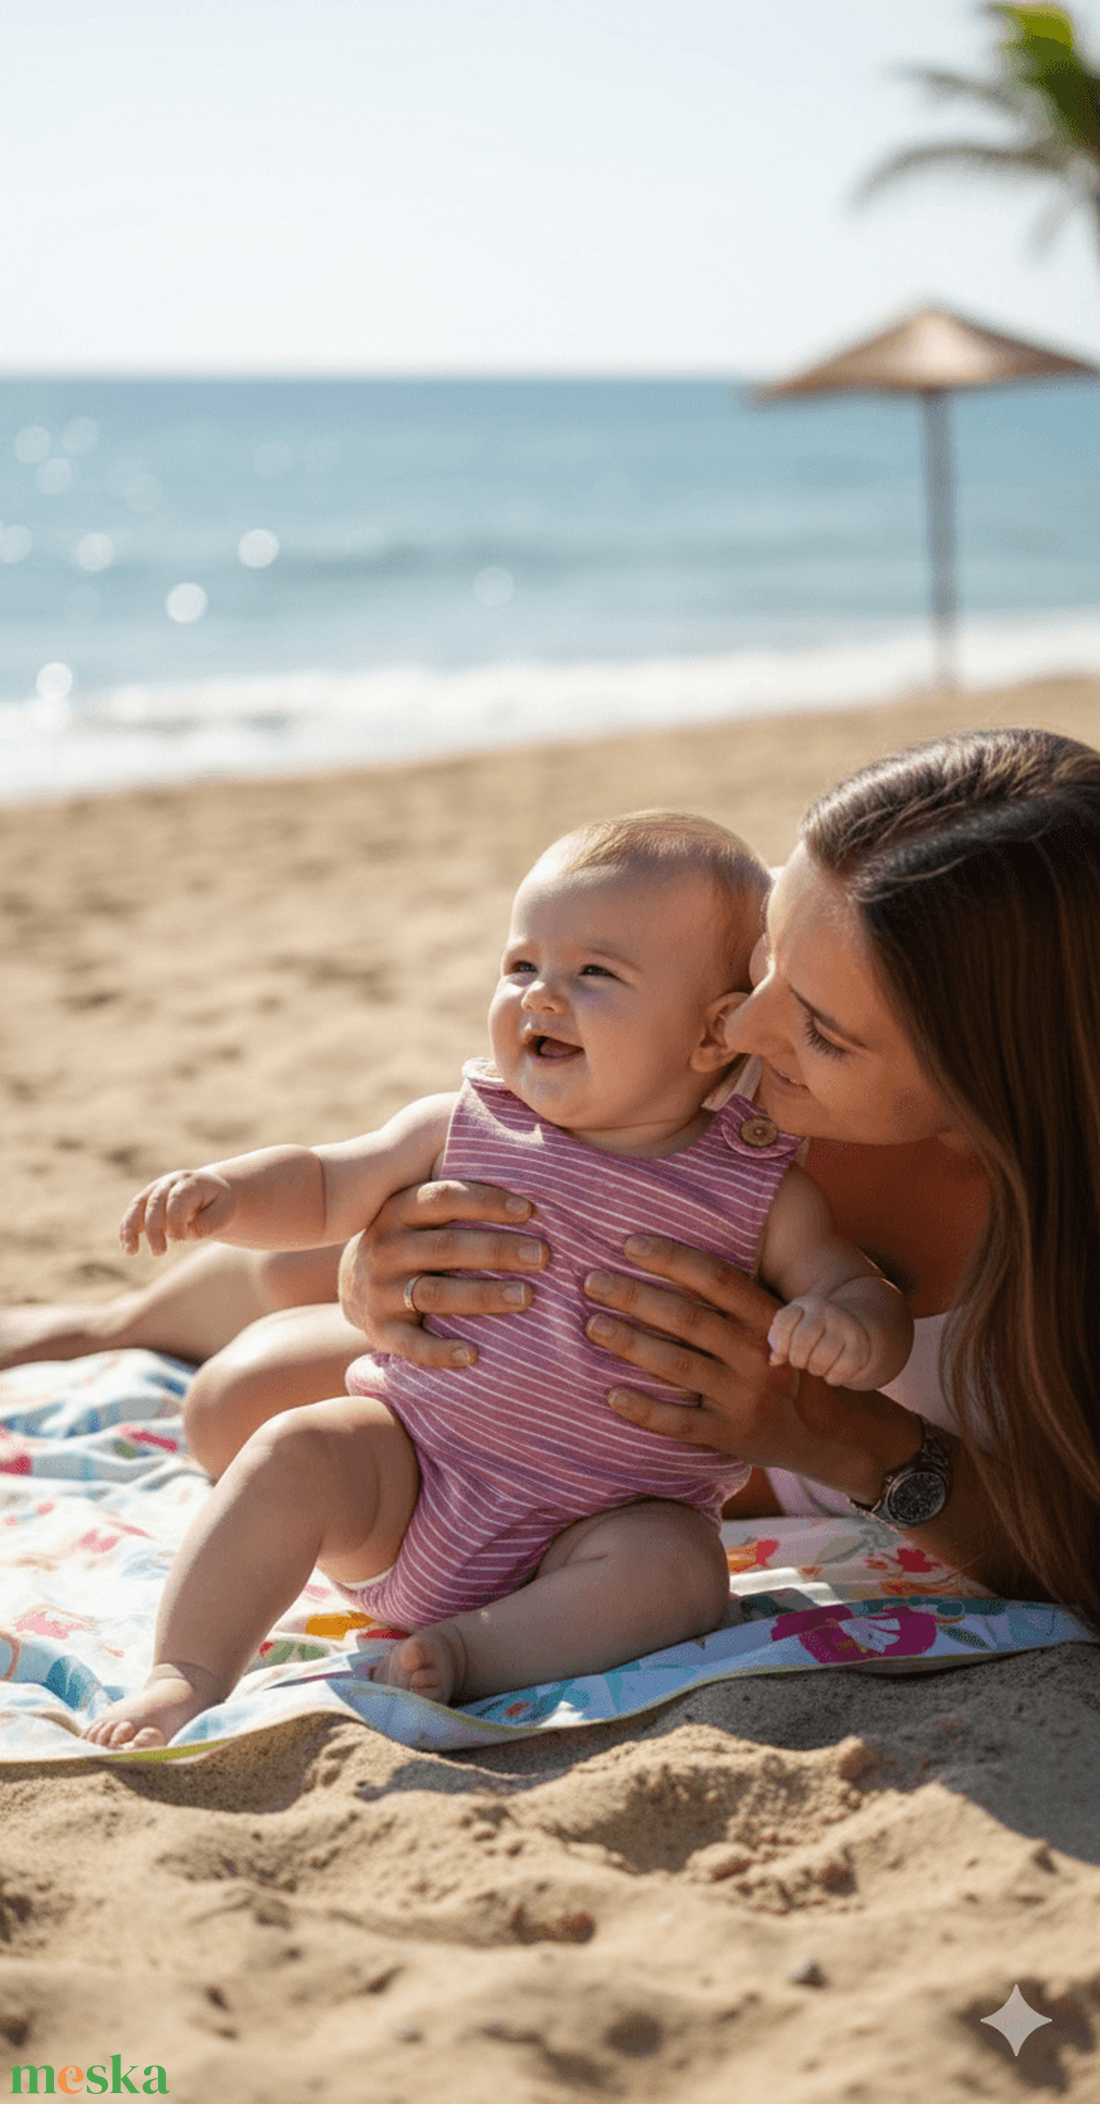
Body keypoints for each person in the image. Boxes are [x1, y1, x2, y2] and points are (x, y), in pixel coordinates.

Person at [10, 726, 1100, 1629]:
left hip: (685, 1459)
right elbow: (544, 1082)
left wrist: (845, 1438)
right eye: (767, 958)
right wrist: (369, 1272)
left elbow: (1075, 1556)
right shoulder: (782, 1000)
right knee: (258, 1358)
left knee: (236, 1402)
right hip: (545, 1339)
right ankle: (114, 1324)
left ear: (983, 1084)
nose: (743, 1024)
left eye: (816, 1030)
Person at [82, 812, 910, 1749]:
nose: (541, 997)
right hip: (410, 1476)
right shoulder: (467, 1121)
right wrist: (226, 1194)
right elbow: (322, 1182)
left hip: (601, 1528)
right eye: (522, 966)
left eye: (594, 973)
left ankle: (473, 1653)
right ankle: (183, 1673)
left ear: (717, 1031)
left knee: (680, 1571)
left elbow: (853, 1284)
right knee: (295, 1449)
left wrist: (849, 1325)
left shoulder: (760, 1186)